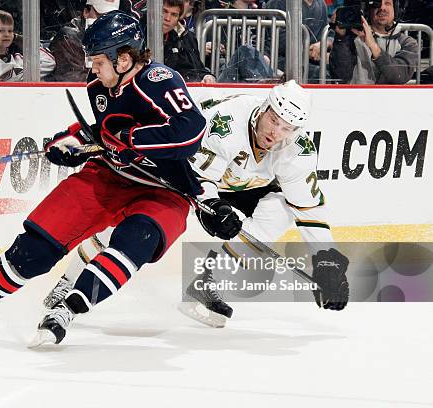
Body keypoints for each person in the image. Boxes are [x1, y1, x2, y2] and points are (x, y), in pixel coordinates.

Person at [0, 11, 211, 346]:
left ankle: (67, 310)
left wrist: (132, 139)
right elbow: (100, 133)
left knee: (134, 241)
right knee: (36, 248)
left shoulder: (158, 80)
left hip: (163, 190)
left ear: (123, 59)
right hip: (109, 175)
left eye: (98, 61)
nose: (92, 68)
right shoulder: (99, 87)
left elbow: (191, 131)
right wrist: (72, 141)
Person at [44, 81, 349, 328]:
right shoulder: (226, 126)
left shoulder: (297, 150)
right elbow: (200, 183)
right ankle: (69, 279)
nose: (275, 133)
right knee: (137, 223)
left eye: (286, 129)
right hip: (187, 163)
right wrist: (216, 210)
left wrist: (328, 265)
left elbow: (310, 211)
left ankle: (206, 282)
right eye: (274, 120)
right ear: (264, 107)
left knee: (281, 210)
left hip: (242, 181)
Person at [329, 0, 418, 84]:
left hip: (391, 99)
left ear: (396, 9)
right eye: (377, 4)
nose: (382, 8)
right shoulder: (352, 38)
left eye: (387, 3)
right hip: (357, 97)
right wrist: (340, 38)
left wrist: (372, 45)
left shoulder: (408, 43)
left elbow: (400, 76)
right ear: (369, 10)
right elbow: (340, 76)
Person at [0, 9, 55, 81]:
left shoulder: (19, 59)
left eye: (10, 31)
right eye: (0, 31)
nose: (6, 35)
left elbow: (49, 63)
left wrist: (20, 40)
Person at [45, 0, 121, 82]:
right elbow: (74, 79)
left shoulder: (119, 38)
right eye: (101, 16)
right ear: (86, 12)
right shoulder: (69, 38)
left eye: (111, 17)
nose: (105, 22)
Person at [264, 0, 334, 82]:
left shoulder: (321, 4)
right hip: (282, 59)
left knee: (337, 69)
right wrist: (312, 52)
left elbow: (330, 33)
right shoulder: (279, 2)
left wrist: (325, 43)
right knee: (321, 74)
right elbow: (281, 42)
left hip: (311, 59)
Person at [161, 0, 216, 83]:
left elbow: (195, 68)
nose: (167, 18)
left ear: (178, 18)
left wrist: (206, 76)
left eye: (174, 15)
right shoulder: (139, 31)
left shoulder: (186, 35)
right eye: (164, 11)